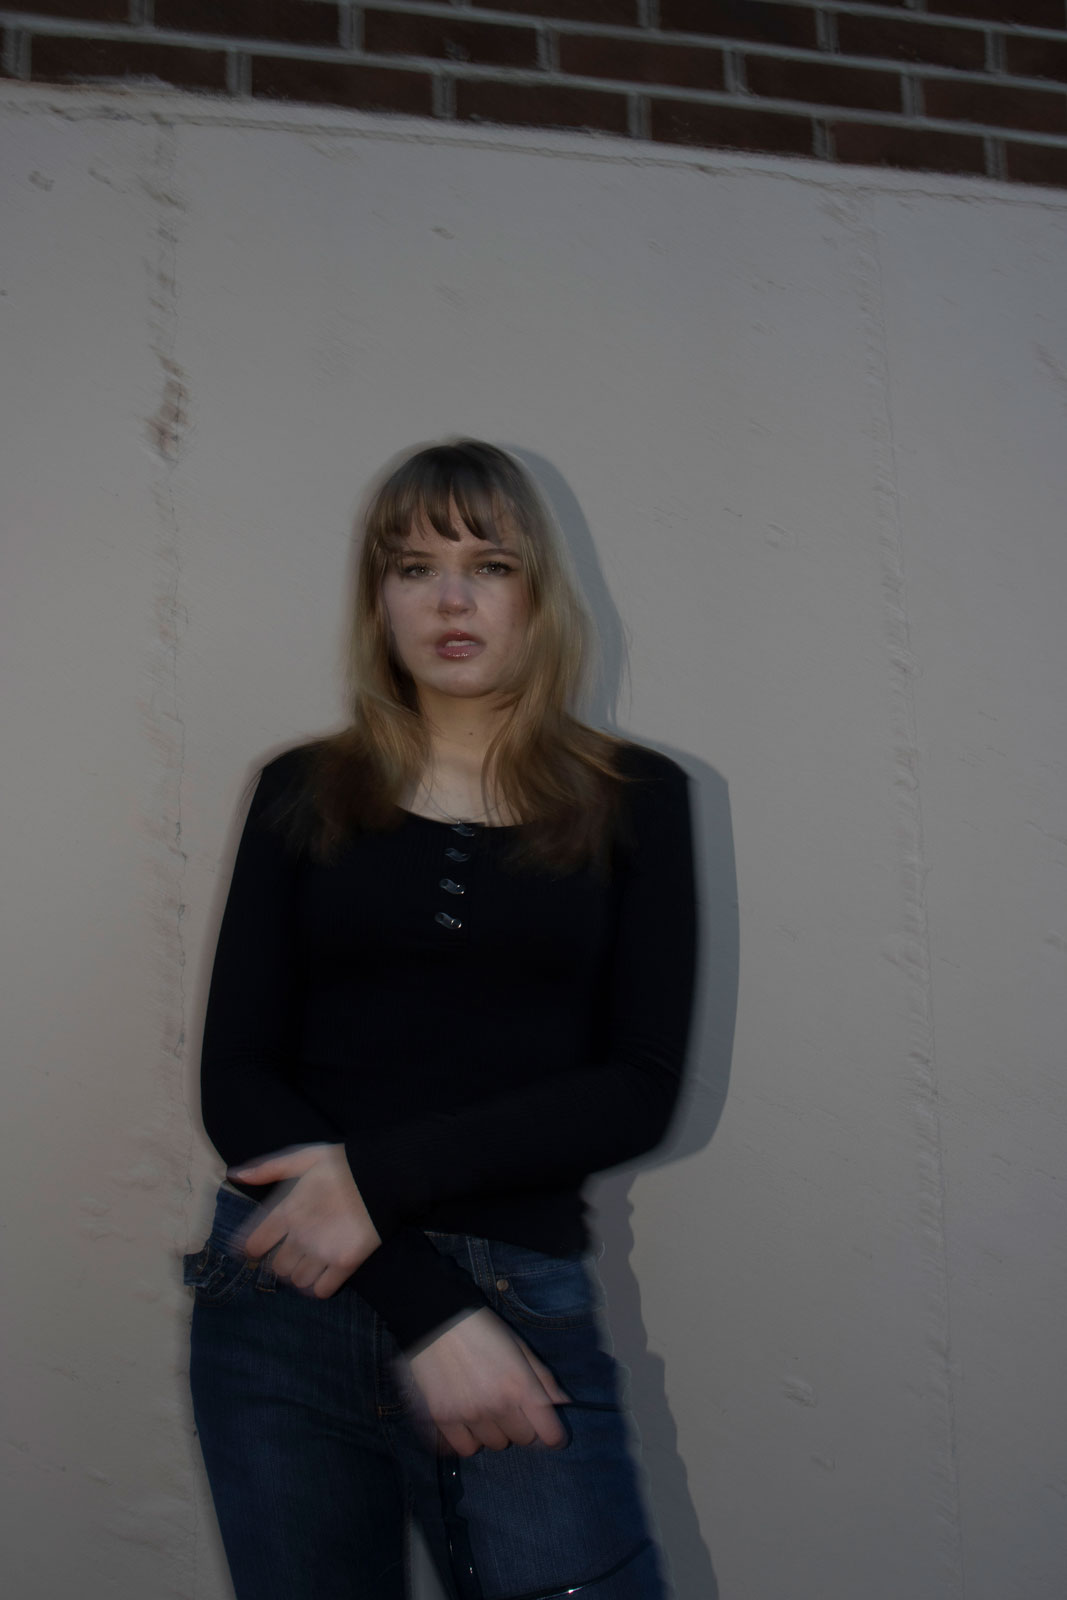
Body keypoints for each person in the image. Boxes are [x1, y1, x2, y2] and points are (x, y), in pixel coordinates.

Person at [184, 439, 699, 1600]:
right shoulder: (301, 787)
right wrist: (429, 1310)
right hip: (282, 1295)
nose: (450, 599)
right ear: (379, 600)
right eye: (413, 567)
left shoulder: (634, 799)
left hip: (514, 1293)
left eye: (488, 565)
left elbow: (637, 1086)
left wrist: (372, 1187)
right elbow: (236, 1079)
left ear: (537, 593)